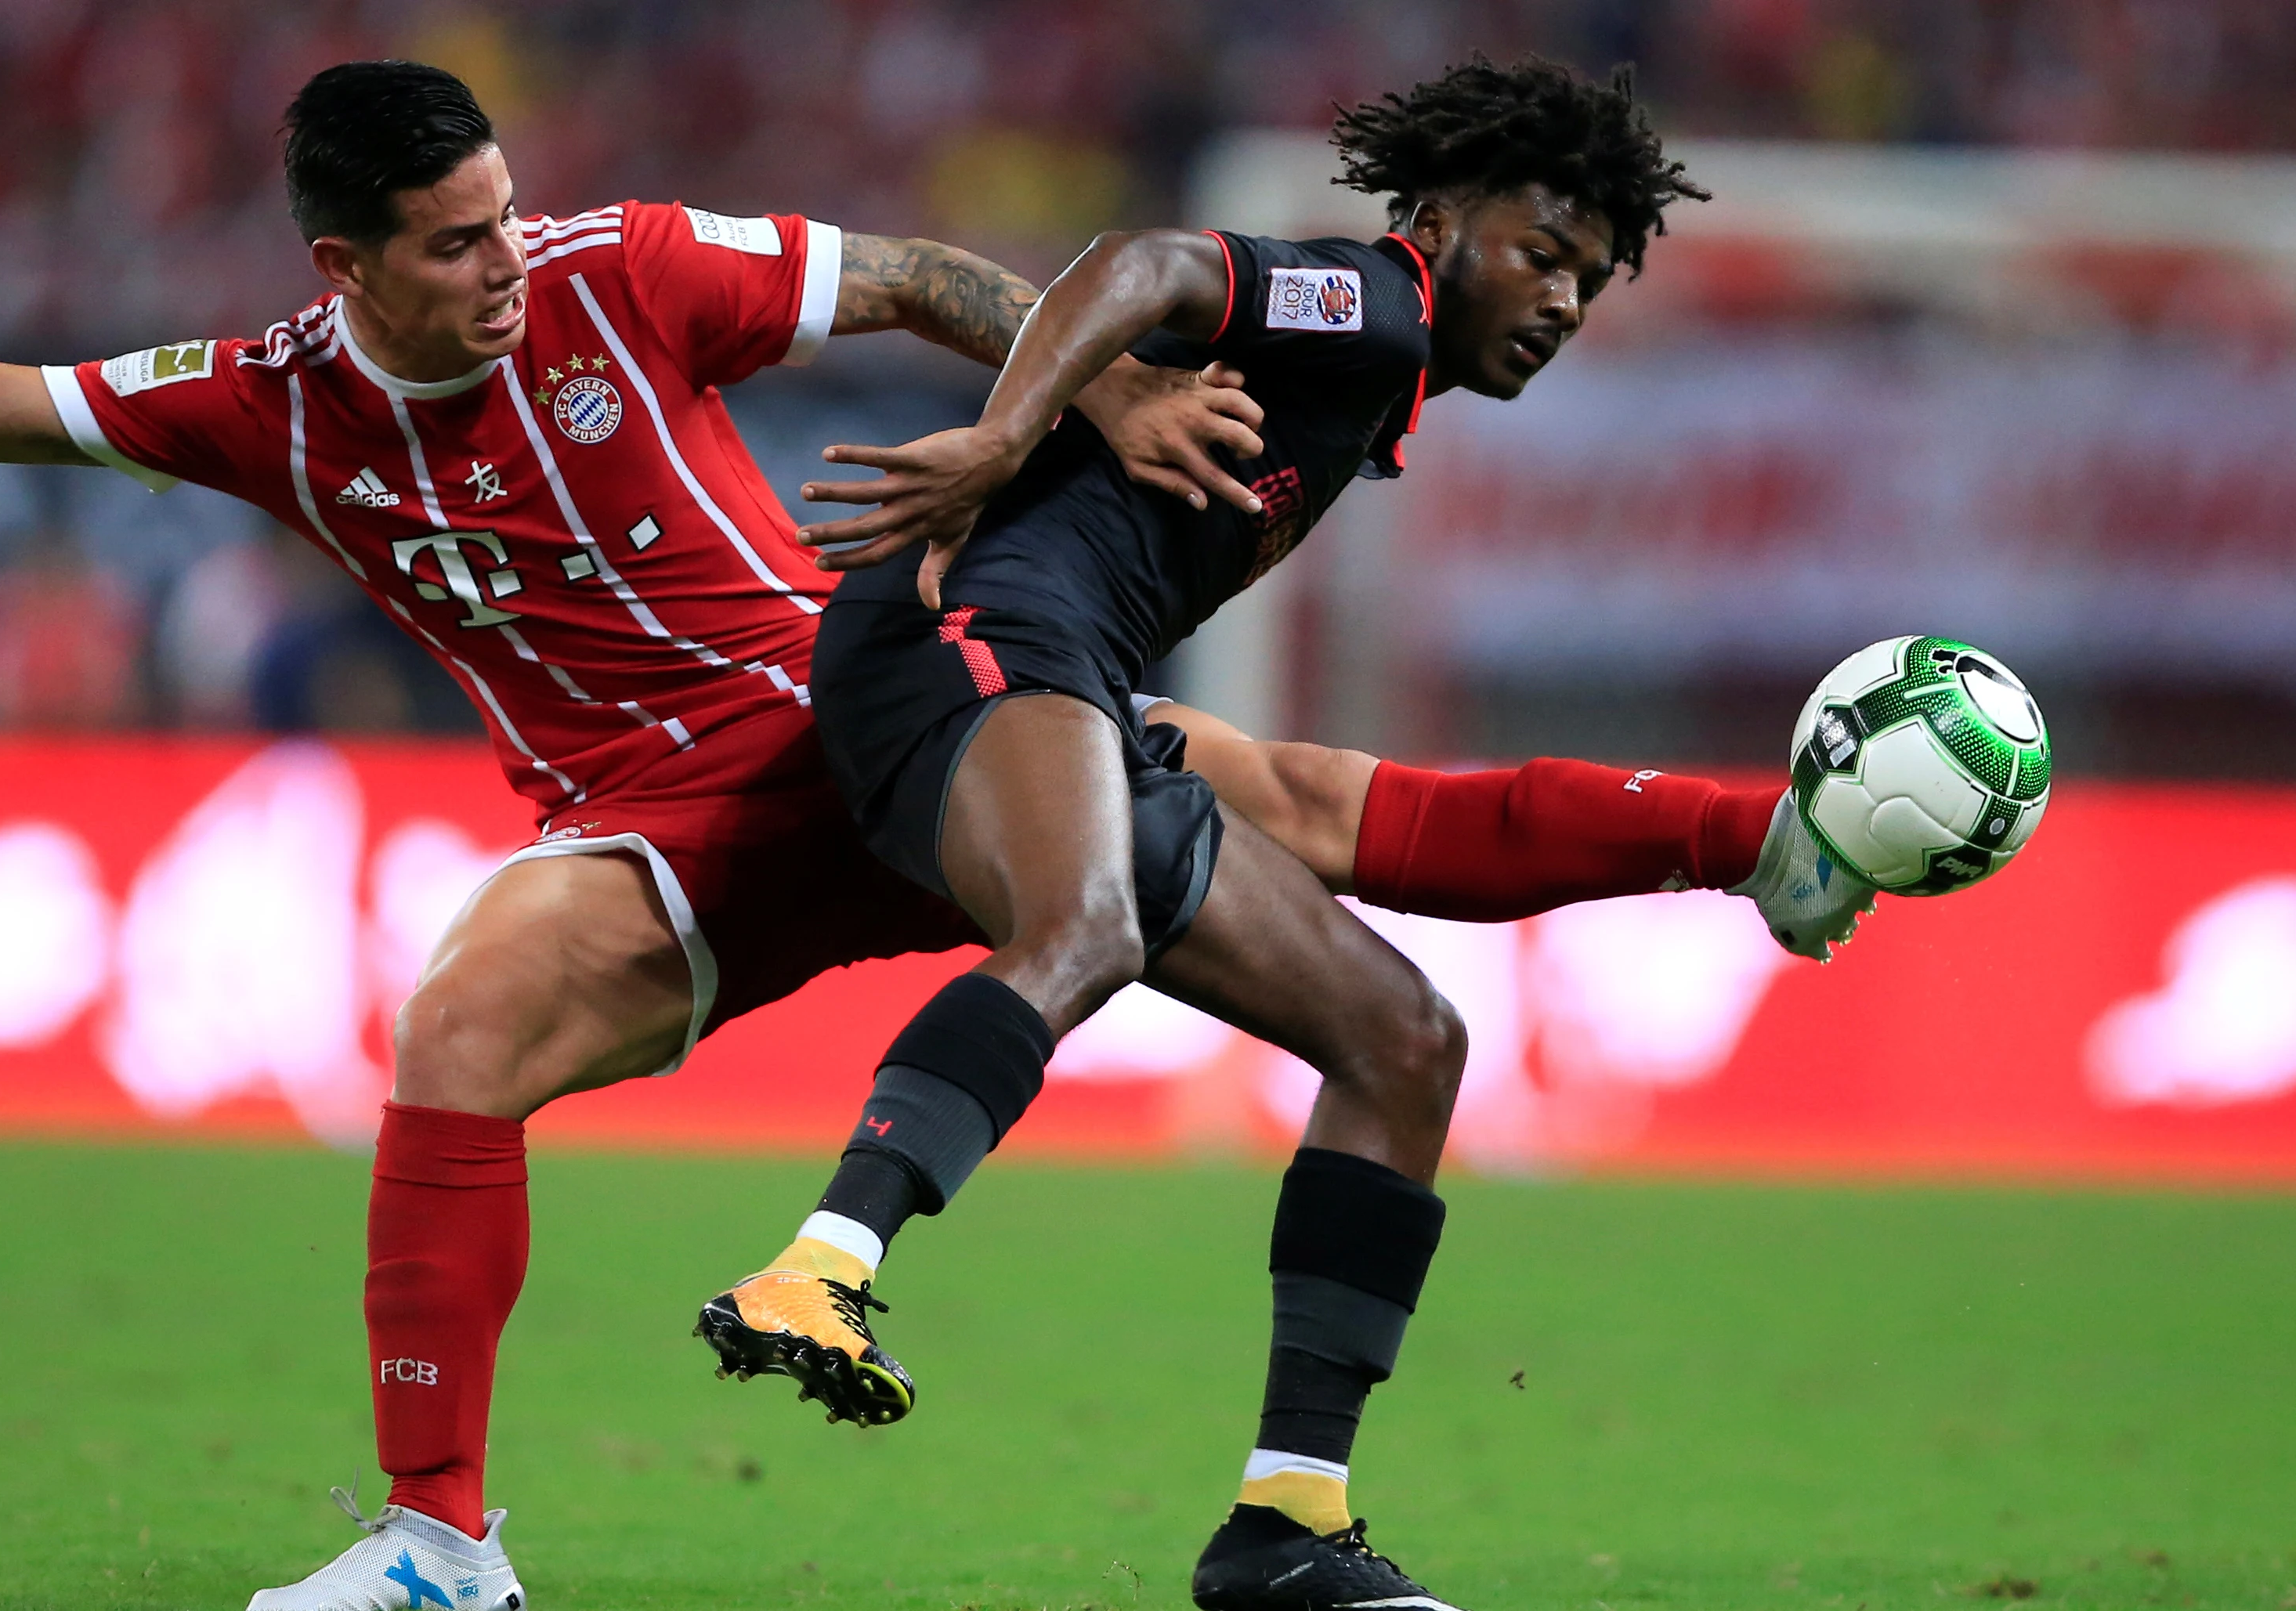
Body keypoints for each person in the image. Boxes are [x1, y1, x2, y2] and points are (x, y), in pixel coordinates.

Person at [0, 57, 1859, 1611]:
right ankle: (440, 1548)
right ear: (345, 261)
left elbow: (935, 276)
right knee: (466, 1017)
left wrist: (1094, 393)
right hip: (675, 828)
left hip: (849, 704)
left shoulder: (633, 265)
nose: (507, 254)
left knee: (1301, 818)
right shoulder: (258, 406)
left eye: (502, 211)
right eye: (454, 241)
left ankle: (1770, 843)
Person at [696, 57, 1803, 1611]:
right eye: (1539, 252)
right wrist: (1011, 438)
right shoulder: (1382, 303)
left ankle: (1287, 1520)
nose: (1559, 298)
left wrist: (1751, 837)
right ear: (1441, 217)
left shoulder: (1363, 399)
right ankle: (819, 1265)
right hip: (974, 628)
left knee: (1401, 1034)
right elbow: (1138, 266)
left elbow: (1409, 825)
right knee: (1083, 926)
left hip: (1063, 672)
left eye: (1588, 281)